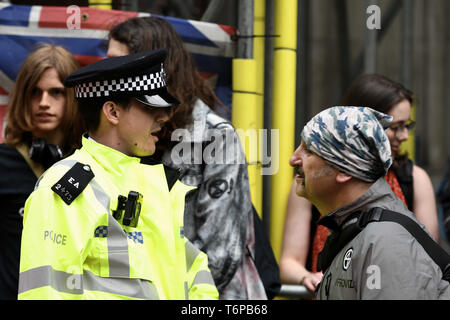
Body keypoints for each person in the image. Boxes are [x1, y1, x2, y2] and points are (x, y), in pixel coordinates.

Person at [18, 49, 218, 300]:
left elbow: (194, 273)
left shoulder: (155, 184)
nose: (163, 118)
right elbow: (45, 293)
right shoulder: (64, 187)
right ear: (112, 112)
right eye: (149, 108)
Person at [107, 16, 268, 299]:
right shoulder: (116, 132)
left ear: (155, 72)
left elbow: (220, 256)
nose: (108, 74)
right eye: (107, 62)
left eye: (120, 64)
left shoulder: (214, 137)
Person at [280, 74, 439, 293]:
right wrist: (309, 277)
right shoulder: (324, 196)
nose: (403, 136)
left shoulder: (385, 238)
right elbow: (289, 260)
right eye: (395, 127)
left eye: (406, 126)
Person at [0, 44, 84, 300]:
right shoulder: (4, 162)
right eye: (35, 92)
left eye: (56, 92)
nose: (43, 103)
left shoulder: (89, 164)